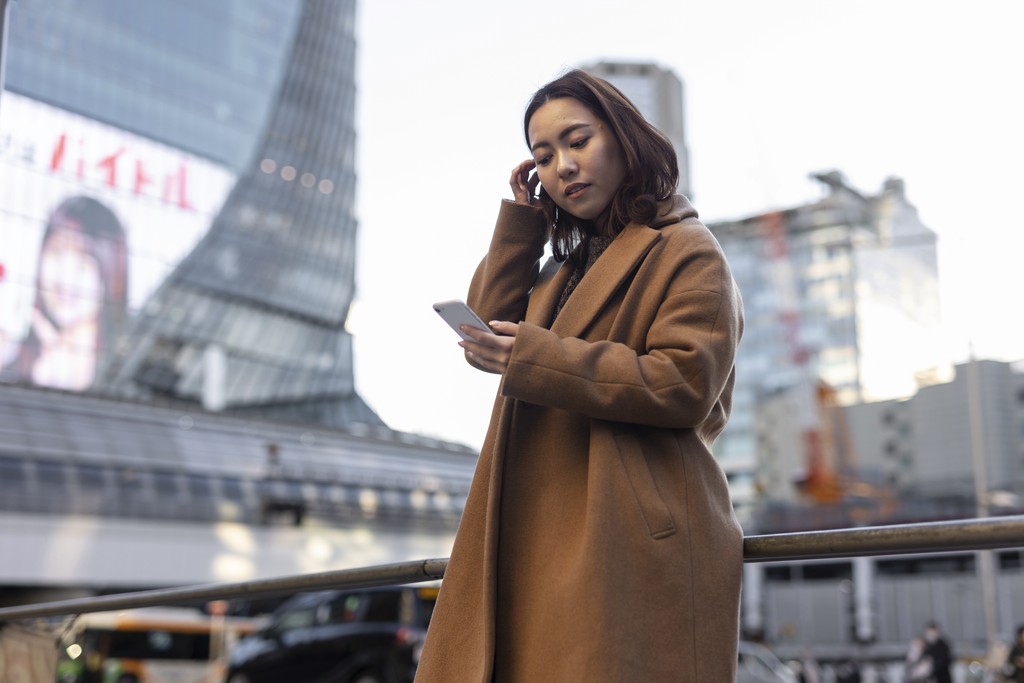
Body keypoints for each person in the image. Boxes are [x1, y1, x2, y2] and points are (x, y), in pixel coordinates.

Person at [414, 69, 744, 681]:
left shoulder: (686, 248)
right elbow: (486, 328)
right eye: (543, 155)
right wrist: (521, 222)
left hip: (625, 530)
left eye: (577, 140)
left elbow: (683, 384)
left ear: (622, 139)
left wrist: (537, 359)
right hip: (539, 527)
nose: (561, 166)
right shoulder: (564, 267)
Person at [1, 196, 127, 390]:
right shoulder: (13, 351)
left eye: (83, 263)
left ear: (111, 275)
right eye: (57, 254)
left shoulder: (126, 366)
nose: (65, 279)